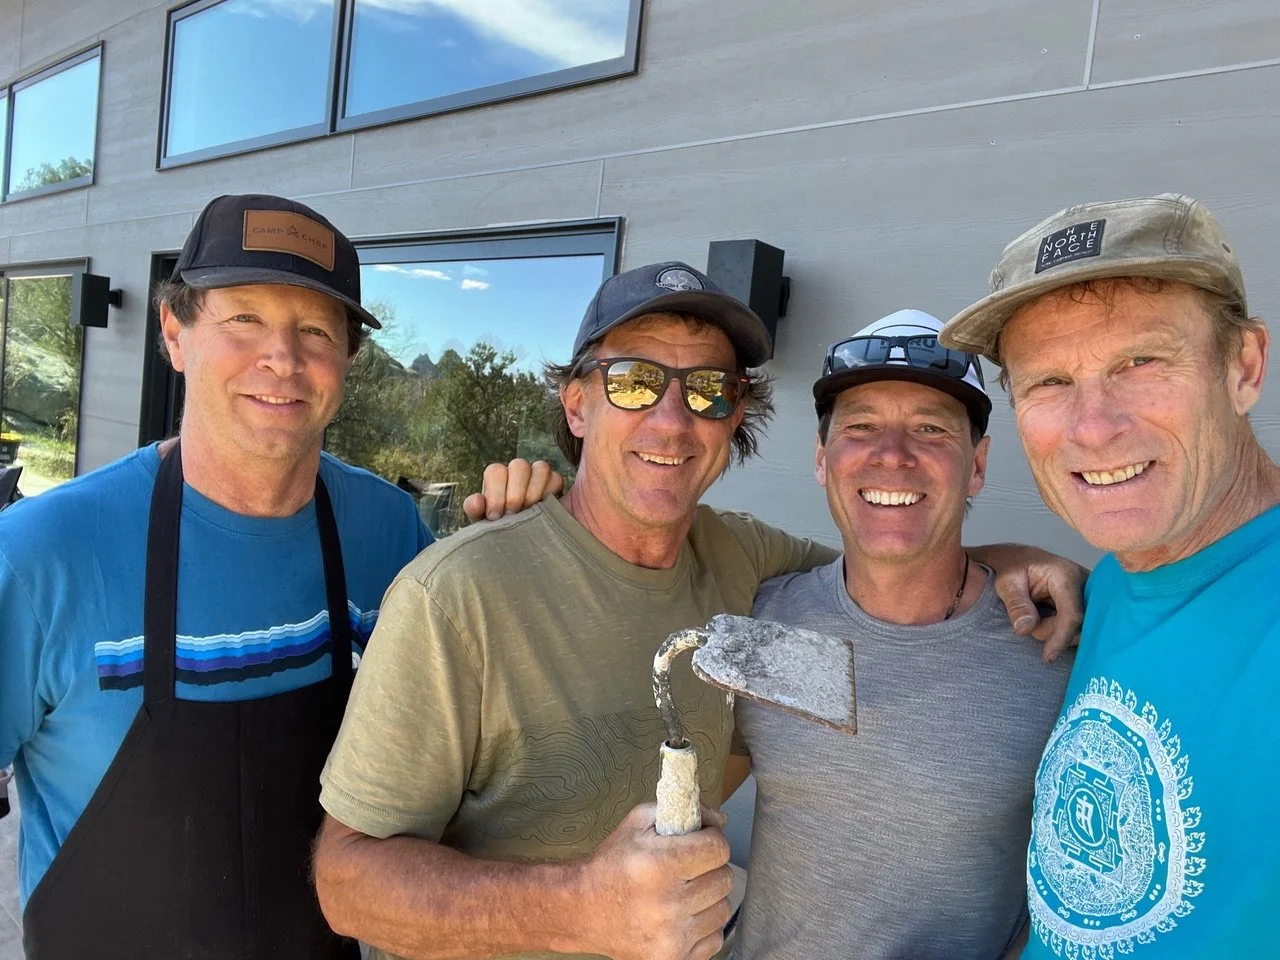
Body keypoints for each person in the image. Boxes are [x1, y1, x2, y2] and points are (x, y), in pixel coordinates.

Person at [312, 261, 1087, 960]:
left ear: (734, 418)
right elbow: (346, 882)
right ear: (577, 405)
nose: (672, 419)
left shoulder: (748, 569)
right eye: (633, 382)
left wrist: (1016, 562)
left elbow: (891, 566)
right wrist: (579, 908)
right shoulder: (456, 595)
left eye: (708, 389)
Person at [0, 194, 549, 959]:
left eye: (316, 330)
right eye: (245, 318)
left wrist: (520, 551)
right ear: (175, 334)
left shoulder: (390, 533)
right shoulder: (42, 553)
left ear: (348, 361)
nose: (282, 358)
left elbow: (490, 737)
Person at [941, 193, 1280, 957]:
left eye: (1140, 362)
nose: (1094, 427)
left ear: (1244, 366)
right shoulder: (1113, 586)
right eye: (1049, 382)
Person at [726, 310, 1073, 959]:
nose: (892, 455)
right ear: (823, 459)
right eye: (860, 427)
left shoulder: (1053, 648)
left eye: (930, 429)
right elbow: (687, 801)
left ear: (977, 465)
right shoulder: (765, 627)